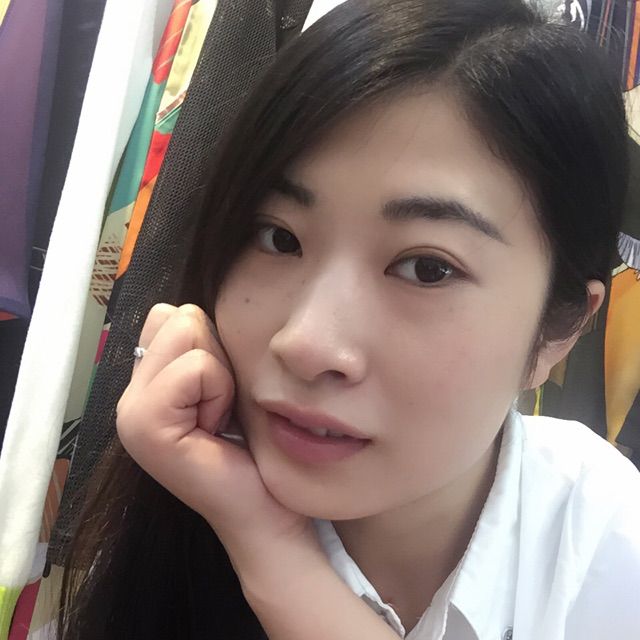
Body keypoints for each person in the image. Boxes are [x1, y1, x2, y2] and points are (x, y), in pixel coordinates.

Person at [57, 0, 640, 638]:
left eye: (427, 268)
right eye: (278, 237)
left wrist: (273, 554)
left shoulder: (606, 546)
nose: (306, 342)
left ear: (558, 331)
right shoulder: (166, 514)